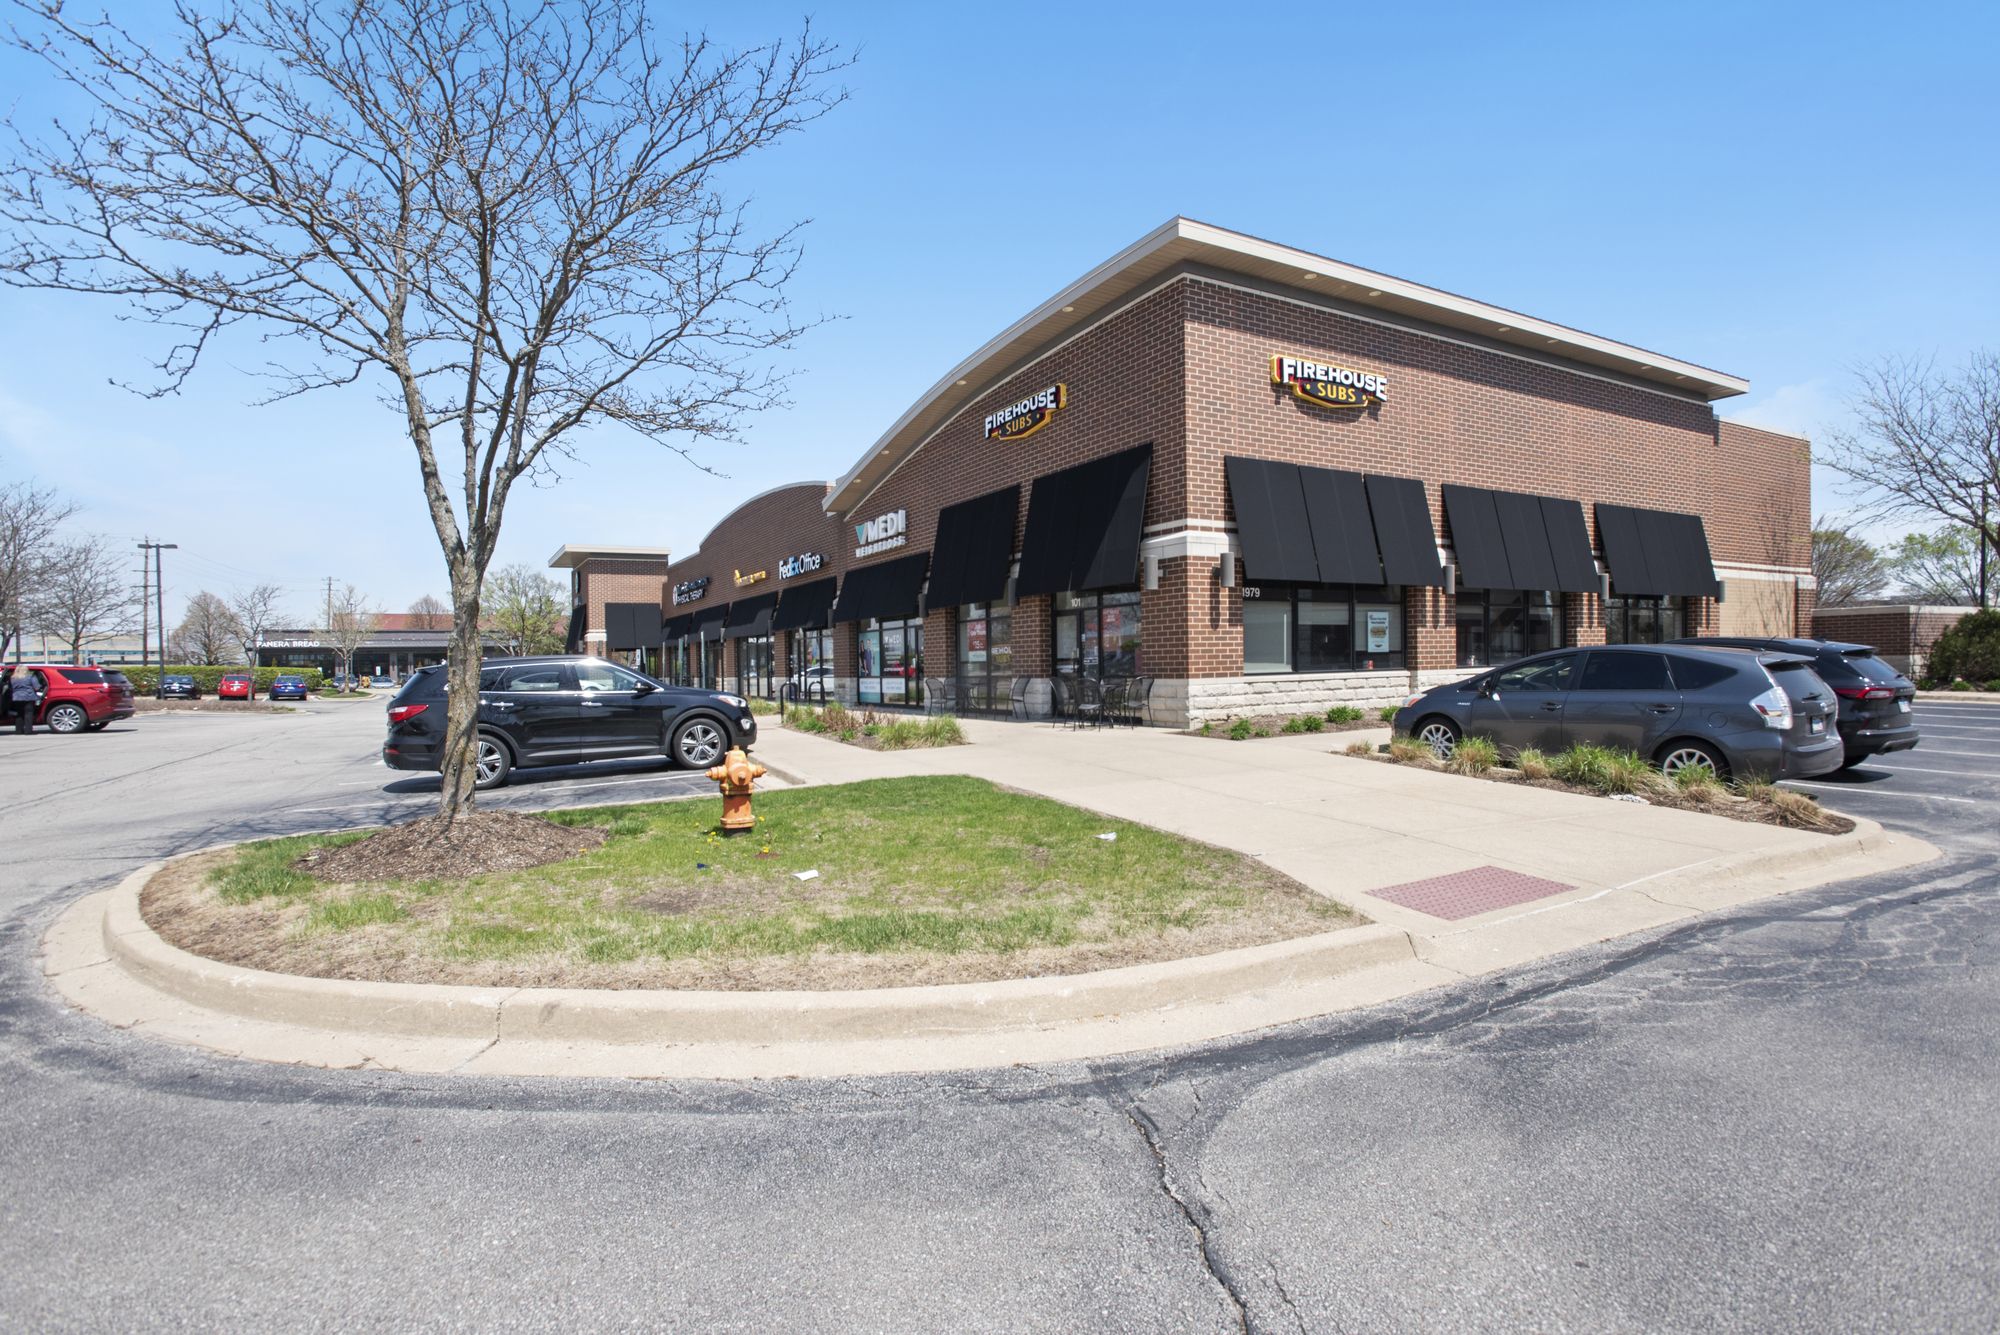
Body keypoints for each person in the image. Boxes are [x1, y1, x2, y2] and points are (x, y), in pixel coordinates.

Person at [10, 667, 42, 734]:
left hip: (17, 697)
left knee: (19, 714)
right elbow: (37, 687)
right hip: (29, 697)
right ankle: (28, 730)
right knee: (28, 714)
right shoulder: (30, 677)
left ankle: (18, 731)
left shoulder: (13, 678)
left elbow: (10, 687)